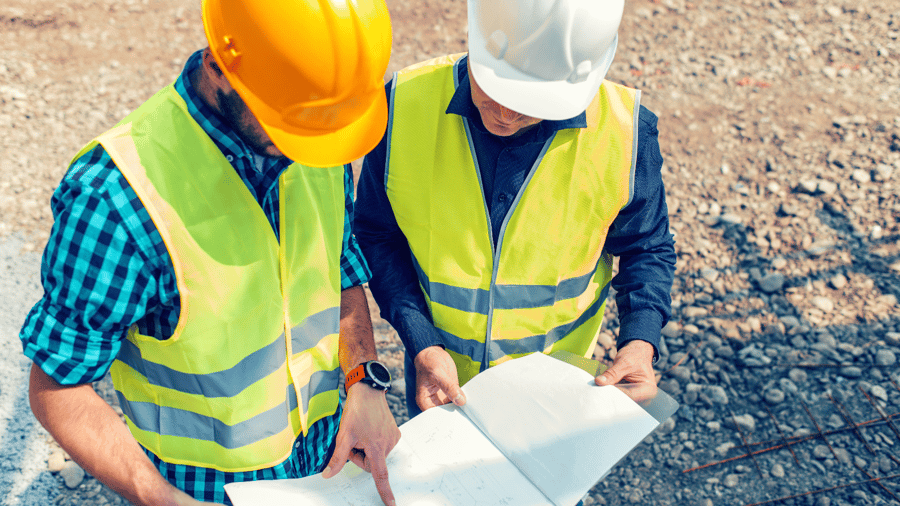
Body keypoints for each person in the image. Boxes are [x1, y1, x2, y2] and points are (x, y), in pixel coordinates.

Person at [20, 1, 401, 505]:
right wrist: (161, 498)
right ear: (219, 67)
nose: (309, 145)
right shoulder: (114, 198)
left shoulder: (315, 132)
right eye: (291, 124)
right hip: (201, 491)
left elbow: (340, 267)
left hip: (324, 467)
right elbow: (58, 386)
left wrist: (363, 379)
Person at [355, 0, 677, 418]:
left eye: (530, 103)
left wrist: (639, 341)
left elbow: (647, 247)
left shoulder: (624, 133)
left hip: (558, 393)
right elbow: (377, 235)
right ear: (477, 38)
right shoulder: (403, 106)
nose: (506, 115)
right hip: (440, 387)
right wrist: (421, 341)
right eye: (495, 91)